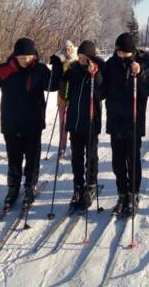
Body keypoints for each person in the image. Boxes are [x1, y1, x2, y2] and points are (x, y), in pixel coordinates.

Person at [0, 38, 61, 207]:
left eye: (29, 56)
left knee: (32, 157)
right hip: (11, 122)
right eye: (22, 57)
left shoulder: (39, 70)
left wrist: (58, 68)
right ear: (15, 56)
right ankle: (13, 188)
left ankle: (30, 186)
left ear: (34, 55)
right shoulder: (5, 69)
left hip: (33, 122)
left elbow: (53, 86)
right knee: (14, 159)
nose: (25, 60)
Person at [102, 32, 149, 217]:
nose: (120, 55)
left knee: (132, 160)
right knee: (117, 162)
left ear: (131, 51)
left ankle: (133, 194)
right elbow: (102, 90)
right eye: (118, 51)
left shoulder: (142, 64)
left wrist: (139, 74)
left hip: (133, 120)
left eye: (124, 52)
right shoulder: (110, 64)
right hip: (115, 119)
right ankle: (122, 194)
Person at [55, 40, 105, 211]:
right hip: (74, 121)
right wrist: (60, 75)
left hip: (91, 121)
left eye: (85, 58)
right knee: (77, 157)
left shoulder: (97, 71)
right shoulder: (73, 70)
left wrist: (94, 75)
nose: (82, 60)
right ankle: (78, 186)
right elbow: (65, 91)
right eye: (80, 56)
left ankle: (91, 185)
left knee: (91, 156)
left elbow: (101, 93)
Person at [56, 40, 78, 158]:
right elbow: (55, 78)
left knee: (73, 123)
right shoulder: (59, 61)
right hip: (61, 96)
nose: (68, 50)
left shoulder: (77, 60)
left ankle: (74, 146)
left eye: (70, 47)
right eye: (66, 48)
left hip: (73, 97)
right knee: (63, 123)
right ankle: (62, 147)